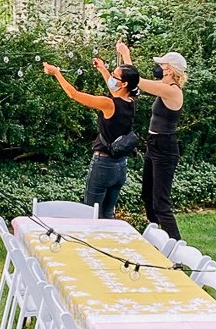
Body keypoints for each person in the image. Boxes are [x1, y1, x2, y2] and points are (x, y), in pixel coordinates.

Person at [41, 57, 141, 220]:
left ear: (124, 84)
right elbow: (115, 92)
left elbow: (73, 94)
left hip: (103, 165)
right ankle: (109, 243)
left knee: (90, 214)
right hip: (120, 167)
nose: (111, 79)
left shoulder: (109, 104)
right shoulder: (130, 102)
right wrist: (102, 69)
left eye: (115, 77)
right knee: (108, 213)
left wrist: (56, 73)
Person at [117, 40, 186, 242]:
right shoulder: (163, 86)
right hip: (154, 145)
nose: (159, 69)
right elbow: (138, 84)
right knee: (147, 196)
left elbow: (137, 81)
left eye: (163, 66)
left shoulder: (172, 91)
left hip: (165, 148)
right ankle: (157, 239)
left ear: (171, 70)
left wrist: (126, 55)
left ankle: (175, 248)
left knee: (161, 203)